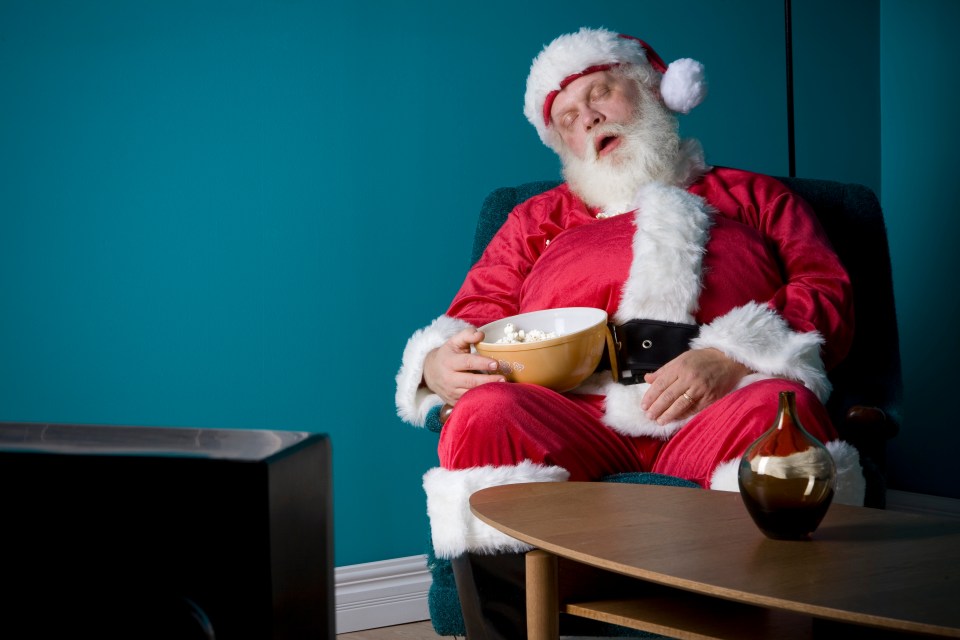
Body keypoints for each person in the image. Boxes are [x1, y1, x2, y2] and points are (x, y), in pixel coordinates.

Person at [395, 27, 865, 638]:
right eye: (566, 116)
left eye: (601, 93)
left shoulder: (756, 197)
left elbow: (825, 291)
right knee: (484, 415)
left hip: (718, 407)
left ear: (652, 92)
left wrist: (732, 355)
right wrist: (435, 364)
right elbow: (478, 308)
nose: (587, 118)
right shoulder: (535, 219)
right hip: (573, 416)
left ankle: (763, 617)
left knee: (785, 411)